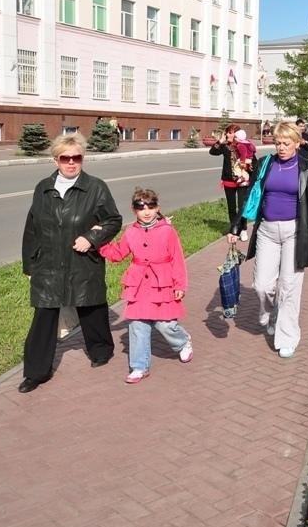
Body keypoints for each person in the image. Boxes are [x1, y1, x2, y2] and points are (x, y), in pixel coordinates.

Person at [19, 133, 122, 393]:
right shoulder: (43, 187)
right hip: (49, 264)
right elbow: (32, 228)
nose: (71, 163)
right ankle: (35, 372)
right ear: (56, 160)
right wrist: (29, 265)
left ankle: (100, 350)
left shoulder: (95, 187)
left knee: (91, 306)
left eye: (77, 157)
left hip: (82, 260)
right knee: (44, 315)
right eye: (66, 158)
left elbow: (113, 220)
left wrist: (91, 237)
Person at [230, 121, 308, 358]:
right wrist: (236, 226)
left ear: (298, 144)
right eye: (277, 143)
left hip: (294, 233)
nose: (280, 147)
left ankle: (288, 337)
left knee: (289, 287)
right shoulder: (267, 164)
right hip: (267, 231)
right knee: (262, 286)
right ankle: (270, 312)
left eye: (286, 143)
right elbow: (251, 196)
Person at [99, 188, 192, 384]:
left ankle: (183, 342)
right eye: (141, 207)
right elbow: (119, 253)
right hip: (139, 285)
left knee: (166, 324)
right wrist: (99, 243)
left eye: (150, 206)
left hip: (163, 283)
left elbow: (177, 259)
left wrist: (180, 284)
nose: (146, 211)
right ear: (134, 210)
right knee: (137, 325)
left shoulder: (167, 230)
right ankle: (139, 367)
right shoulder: (131, 231)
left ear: (157, 208)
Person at [210, 124, 252, 242]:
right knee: (231, 207)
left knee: (241, 206)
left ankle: (243, 229)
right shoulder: (225, 146)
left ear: (236, 134)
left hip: (242, 180)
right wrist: (221, 140)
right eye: (226, 132)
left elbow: (252, 160)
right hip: (228, 180)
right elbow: (212, 152)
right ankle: (234, 228)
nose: (227, 134)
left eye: (230, 132)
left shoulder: (244, 145)